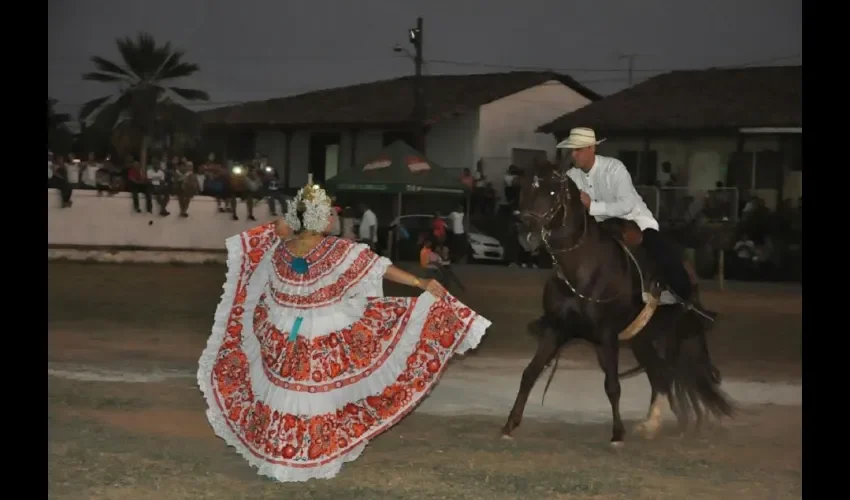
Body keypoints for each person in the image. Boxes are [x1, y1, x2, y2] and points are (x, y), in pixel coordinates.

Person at [197, 175, 490, 483]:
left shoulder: (281, 250)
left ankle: (279, 455)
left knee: (286, 395)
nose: (333, 219)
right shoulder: (336, 250)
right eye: (329, 214)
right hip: (319, 332)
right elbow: (379, 267)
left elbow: (263, 253)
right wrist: (420, 282)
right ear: (321, 218)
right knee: (314, 397)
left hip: (284, 332)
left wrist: (285, 226)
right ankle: (308, 457)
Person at [558, 127, 706, 309]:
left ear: (591, 148)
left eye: (578, 149)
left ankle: (682, 295)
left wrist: (592, 206)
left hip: (634, 220)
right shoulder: (571, 177)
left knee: (660, 249)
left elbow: (626, 204)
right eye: (572, 150)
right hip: (599, 227)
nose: (574, 154)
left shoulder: (614, 168)